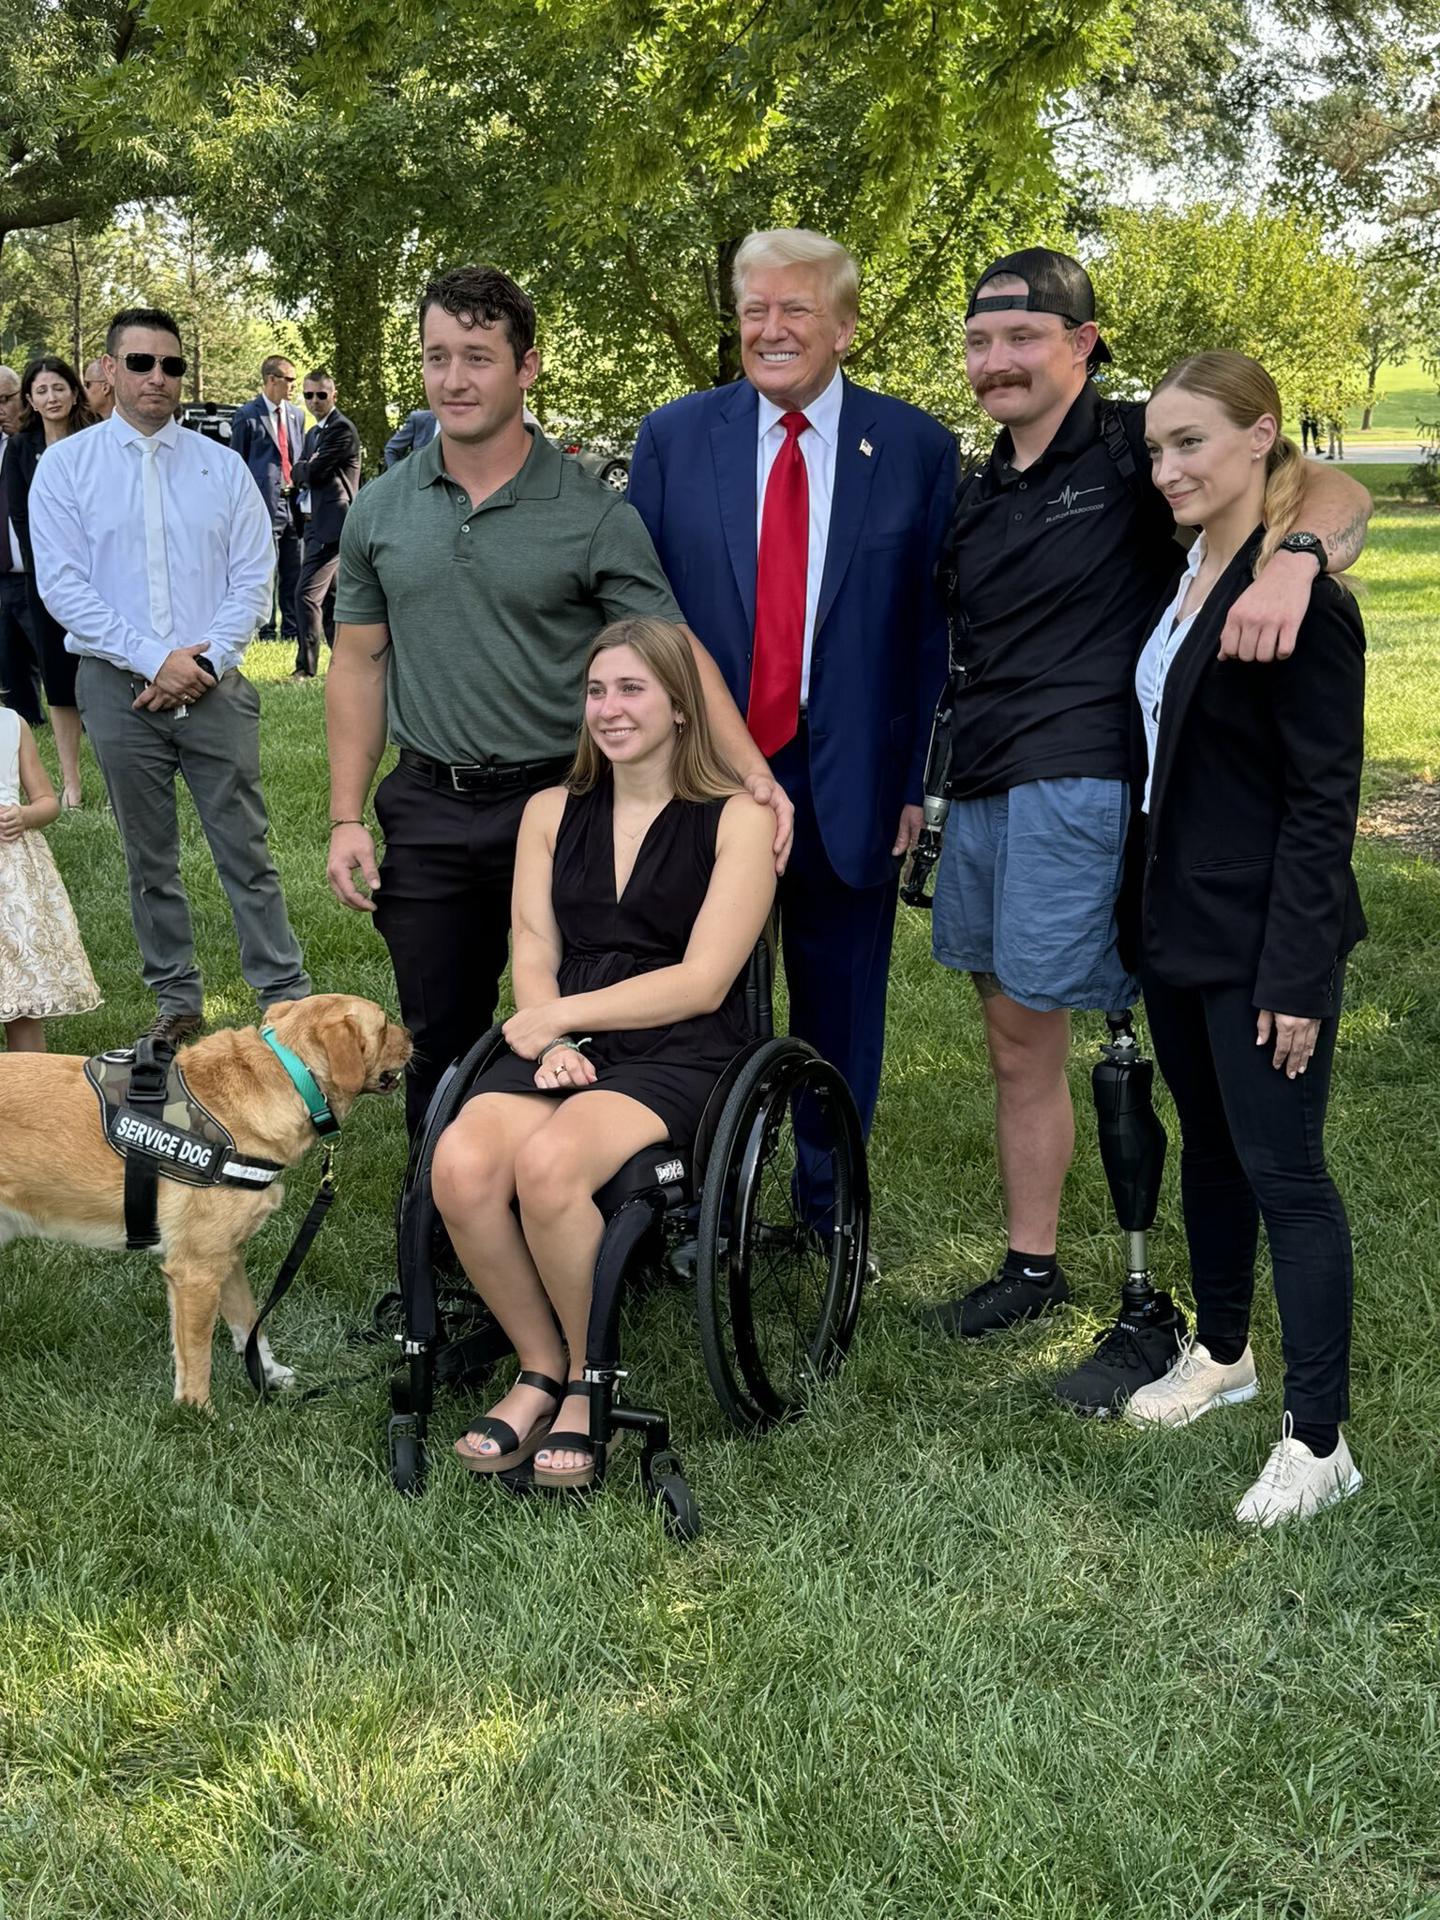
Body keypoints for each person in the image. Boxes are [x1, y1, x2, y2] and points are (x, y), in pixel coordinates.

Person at [917, 248, 1373, 1416]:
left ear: (1083, 343)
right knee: (1014, 1031)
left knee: (1114, 1043)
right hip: (983, 783)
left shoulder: (1137, 445)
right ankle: (1032, 1265)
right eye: (979, 340)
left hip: (1090, 791)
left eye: (1024, 336)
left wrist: (1298, 565)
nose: (997, 360)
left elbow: (1327, 489)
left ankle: (1160, 1308)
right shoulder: (982, 486)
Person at [327, 263, 786, 1133]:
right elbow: (357, 663)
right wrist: (346, 815)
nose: (453, 380)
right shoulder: (381, 509)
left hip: (562, 805)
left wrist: (752, 775)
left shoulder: (592, 514)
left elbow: (674, 649)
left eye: (478, 357)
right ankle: (444, 1218)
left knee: (579, 1008)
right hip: (427, 803)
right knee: (438, 1026)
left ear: (527, 368)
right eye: (436, 357)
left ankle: (593, 1181)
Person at [629, 228, 957, 1218]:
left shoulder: (915, 450)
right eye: (752, 312)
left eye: (795, 311)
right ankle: (684, 1199)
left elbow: (931, 635)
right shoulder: (675, 439)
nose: (770, 331)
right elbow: (640, 617)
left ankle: (829, 1207)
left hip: (849, 778)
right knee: (691, 991)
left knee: (840, 1005)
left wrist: (913, 788)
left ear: (846, 327)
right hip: (703, 774)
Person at [431, 617, 776, 1484]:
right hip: (566, 1031)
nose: (610, 710)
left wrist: (558, 1020)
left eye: (632, 690)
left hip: (682, 1043)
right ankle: (540, 1363)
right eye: (596, 691)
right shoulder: (550, 812)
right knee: (462, 1162)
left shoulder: (736, 820)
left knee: (551, 1166)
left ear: (680, 707)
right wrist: (548, 1034)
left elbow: (702, 981)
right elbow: (534, 943)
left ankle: (591, 1380)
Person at [1123, 351, 1366, 1527]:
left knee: (1286, 1175)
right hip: (1179, 923)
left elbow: (1324, 805)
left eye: (1191, 445)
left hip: (1267, 934)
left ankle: (1319, 1440)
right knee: (1209, 1151)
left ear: (1260, 437)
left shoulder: (1299, 596)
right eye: (1157, 447)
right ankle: (1223, 1353)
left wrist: (1300, 975)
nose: (1166, 467)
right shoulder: (1187, 571)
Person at [28, 305, 311, 1047]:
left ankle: (283, 994)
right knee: (147, 856)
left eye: (172, 364)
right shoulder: (65, 468)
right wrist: (156, 660)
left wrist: (206, 661)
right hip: (115, 691)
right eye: (143, 363)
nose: (159, 377)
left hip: (216, 686)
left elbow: (253, 577)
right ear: (110, 372)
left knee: (245, 846)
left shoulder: (220, 466)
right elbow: (64, 588)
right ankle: (178, 1002)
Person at [6, 355, 100, 807]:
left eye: (58, 387)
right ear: (30, 399)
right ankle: (72, 784)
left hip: (100, 578)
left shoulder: (95, 439)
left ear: (73, 390)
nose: (51, 397)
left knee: (103, 674)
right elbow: (22, 519)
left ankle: (120, 773)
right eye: (41, 391)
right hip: (47, 583)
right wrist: (53, 571)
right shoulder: (21, 450)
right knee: (60, 683)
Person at [0, 700, 101, 1051]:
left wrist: (24, 816)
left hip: (10, 882)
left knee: (23, 998)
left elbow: (47, 801)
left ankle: (30, 1093)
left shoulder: (12, 725)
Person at [290, 367, 361, 680]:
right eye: (308, 395)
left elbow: (312, 473)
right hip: (312, 522)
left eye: (321, 395)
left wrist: (301, 468)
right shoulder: (313, 433)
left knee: (305, 595)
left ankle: (305, 670)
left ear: (334, 395)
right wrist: (305, 468)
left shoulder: (340, 429)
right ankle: (347, 664)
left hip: (332, 526)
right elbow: (307, 470)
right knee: (330, 602)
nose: (314, 401)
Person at [230, 354, 305, 642]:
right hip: (262, 504)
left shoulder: (296, 415)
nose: (293, 386)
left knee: (293, 568)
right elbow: (237, 463)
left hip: (293, 502)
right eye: (289, 380)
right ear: (271, 380)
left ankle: (291, 629)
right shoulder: (247, 415)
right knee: (265, 570)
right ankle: (266, 629)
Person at [0, 364, 47, 732]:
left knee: (53, 653)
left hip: (36, 569)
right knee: (10, 661)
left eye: (6, 399)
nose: (1, 408)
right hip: (3, 574)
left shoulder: (40, 442)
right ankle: (25, 720)